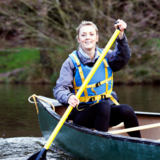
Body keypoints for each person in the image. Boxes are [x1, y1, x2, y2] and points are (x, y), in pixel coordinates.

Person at [53, 20, 141, 138]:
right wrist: (68, 97)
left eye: (91, 34)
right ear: (78, 39)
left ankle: (140, 145)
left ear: (97, 38)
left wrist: (120, 35)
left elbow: (123, 58)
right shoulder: (70, 62)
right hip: (82, 114)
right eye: (83, 35)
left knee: (127, 110)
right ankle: (101, 145)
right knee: (103, 106)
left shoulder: (106, 55)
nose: (87, 38)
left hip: (107, 111)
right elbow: (60, 89)